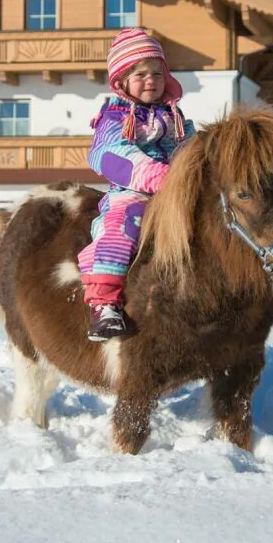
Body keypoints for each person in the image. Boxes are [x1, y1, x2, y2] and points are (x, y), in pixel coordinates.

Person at [79, 28, 195, 341]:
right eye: (141, 74)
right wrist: (157, 176)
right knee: (120, 229)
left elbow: (190, 148)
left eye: (158, 73)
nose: (151, 80)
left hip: (177, 192)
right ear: (122, 80)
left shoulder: (174, 116)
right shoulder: (116, 117)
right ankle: (105, 305)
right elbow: (106, 153)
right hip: (133, 193)